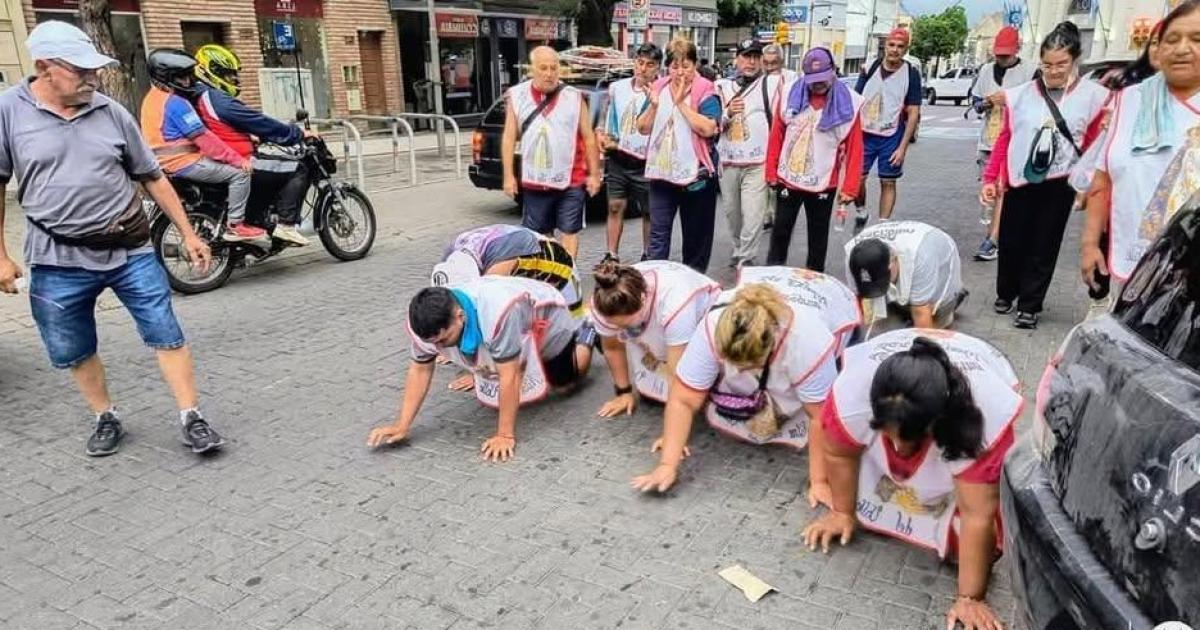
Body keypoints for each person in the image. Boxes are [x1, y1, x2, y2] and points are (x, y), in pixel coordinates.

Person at [0, 21, 223, 457]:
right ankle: (105, 416)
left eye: (94, 69)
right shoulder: (8, 111)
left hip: (128, 247)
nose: (93, 78)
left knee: (166, 331)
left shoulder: (111, 112)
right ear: (43, 67)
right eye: (80, 70)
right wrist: (0, 256)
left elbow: (152, 177)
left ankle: (192, 415)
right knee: (73, 345)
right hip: (56, 256)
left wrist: (188, 232)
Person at [802, 330, 1022, 630]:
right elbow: (839, 454)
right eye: (888, 434)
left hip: (979, 373)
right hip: (901, 379)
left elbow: (977, 516)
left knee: (975, 533)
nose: (898, 448)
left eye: (910, 439)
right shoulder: (850, 395)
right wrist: (842, 511)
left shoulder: (981, 419)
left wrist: (970, 597)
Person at [630, 283, 839, 501]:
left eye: (748, 366)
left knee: (822, 398)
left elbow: (820, 418)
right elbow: (683, 399)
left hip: (824, 296)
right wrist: (667, 464)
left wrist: (819, 481)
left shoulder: (807, 342)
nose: (738, 371)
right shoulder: (712, 326)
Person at [366, 278, 596, 462]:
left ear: (460, 317)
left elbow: (510, 375)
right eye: (433, 343)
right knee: (500, 358)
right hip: (508, 326)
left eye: (443, 340)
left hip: (548, 316)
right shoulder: (425, 325)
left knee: (566, 383)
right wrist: (402, 424)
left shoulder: (498, 312)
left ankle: (588, 327)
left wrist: (504, 435)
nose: (438, 348)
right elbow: (420, 370)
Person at [981, 21, 1109, 330]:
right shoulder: (1020, 95)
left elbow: (1095, 143)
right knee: (1011, 240)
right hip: (1020, 178)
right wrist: (991, 178)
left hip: (1060, 181)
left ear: (1075, 61)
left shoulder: (1094, 97)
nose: (1053, 71)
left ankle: (1030, 304)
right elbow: (1006, 137)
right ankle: (1006, 291)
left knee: (1044, 244)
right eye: (1047, 65)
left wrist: (1087, 184)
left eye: (1061, 64)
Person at [1081, 1, 1200, 295]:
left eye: (1197, 39)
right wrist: (1090, 243)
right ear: (1156, 51)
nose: (1182, 49)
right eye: (1172, 39)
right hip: (1133, 262)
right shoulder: (1129, 102)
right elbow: (1103, 178)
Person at [191, 44, 311, 246]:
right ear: (213, 72)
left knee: (272, 166)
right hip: (239, 160)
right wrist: (296, 134)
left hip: (222, 157)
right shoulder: (218, 100)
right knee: (297, 169)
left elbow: (222, 127)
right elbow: (258, 121)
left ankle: (258, 219)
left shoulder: (201, 96)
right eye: (229, 75)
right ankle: (286, 225)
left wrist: (249, 137)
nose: (234, 79)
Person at [139, 48, 263, 241]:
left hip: (164, 162)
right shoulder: (176, 103)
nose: (188, 82)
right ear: (167, 77)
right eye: (182, 77)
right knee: (240, 174)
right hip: (183, 163)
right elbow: (204, 138)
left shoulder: (152, 98)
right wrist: (238, 160)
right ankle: (236, 225)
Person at [765, 47, 864, 272]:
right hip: (788, 177)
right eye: (813, 79)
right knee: (780, 232)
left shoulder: (850, 102)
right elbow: (776, 134)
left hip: (823, 181)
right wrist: (771, 170)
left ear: (833, 71)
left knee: (818, 237)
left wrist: (850, 187)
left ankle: (815, 279)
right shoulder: (789, 93)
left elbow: (855, 147)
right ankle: (772, 276)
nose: (818, 84)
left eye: (822, 78)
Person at [501, 46, 602, 260]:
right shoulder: (517, 96)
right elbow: (509, 137)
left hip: (571, 178)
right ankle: (551, 270)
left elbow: (588, 137)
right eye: (543, 68)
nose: (549, 73)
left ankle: (568, 274)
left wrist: (594, 174)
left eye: (553, 68)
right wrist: (508, 176)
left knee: (569, 231)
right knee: (540, 236)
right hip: (535, 180)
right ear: (532, 69)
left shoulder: (574, 97)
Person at [589, 259, 720, 415]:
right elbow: (613, 347)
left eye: (626, 324)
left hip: (704, 311)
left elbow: (676, 372)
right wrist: (624, 392)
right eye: (614, 324)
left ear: (643, 300)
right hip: (656, 317)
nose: (620, 330)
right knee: (653, 394)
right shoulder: (604, 301)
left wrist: (675, 424)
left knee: (695, 393)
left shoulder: (675, 302)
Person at [638, 37, 722, 273]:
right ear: (668, 67)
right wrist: (654, 106)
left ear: (695, 65)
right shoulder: (658, 87)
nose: (680, 72)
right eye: (675, 66)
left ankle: (694, 284)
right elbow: (642, 127)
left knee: (696, 239)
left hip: (696, 177)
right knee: (658, 236)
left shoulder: (706, 89)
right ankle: (657, 280)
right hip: (662, 174)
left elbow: (709, 128)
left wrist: (681, 105)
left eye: (686, 66)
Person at [969, 26, 1037, 262]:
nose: (1001, 59)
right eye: (998, 55)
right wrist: (985, 103)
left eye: (1006, 55)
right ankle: (992, 236)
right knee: (989, 191)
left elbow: (1037, 105)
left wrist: (1009, 99)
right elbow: (975, 102)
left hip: (1015, 141)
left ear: (1017, 50)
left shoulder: (1030, 72)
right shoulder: (986, 70)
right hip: (989, 139)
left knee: (1003, 190)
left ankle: (994, 240)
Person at [853, 28, 923, 232]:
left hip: (891, 134)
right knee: (857, 179)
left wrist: (902, 148)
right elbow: (854, 101)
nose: (895, 50)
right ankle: (861, 211)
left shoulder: (911, 74)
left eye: (900, 47)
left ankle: (882, 226)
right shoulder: (870, 67)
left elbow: (913, 112)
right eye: (892, 45)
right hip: (864, 132)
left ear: (906, 50)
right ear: (885, 46)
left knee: (888, 181)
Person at [598, 43, 661, 263]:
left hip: (646, 162)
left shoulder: (660, 92)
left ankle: (648, 256)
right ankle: (611, 254)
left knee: (649, 211)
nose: (643, 68)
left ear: (658, 67)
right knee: (615, 206)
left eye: (650, 64)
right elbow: (605, 115)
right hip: (618, 158)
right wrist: (601, 133)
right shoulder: (617, 88)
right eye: (640, 62)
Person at [716, 39, 775, 268]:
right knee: (732, 214)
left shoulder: (770, 85)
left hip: (757, 164)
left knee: (753, 215)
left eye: (755, 57)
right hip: (728, 162)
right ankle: (739, 247)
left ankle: (747, 257)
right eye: (746, 56)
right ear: (736, 59)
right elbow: (711, 124)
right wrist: (727, 113)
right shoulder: (721, 87)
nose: (751, 62)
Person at [845, 221, 966, 330]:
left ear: (893, 261)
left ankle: (953, 300)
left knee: (936, 323)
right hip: (906, 259)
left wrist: (922, 343)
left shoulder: (921, 257)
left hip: (940, 260)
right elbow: (858, 300)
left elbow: (921, 312)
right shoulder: (853, 255)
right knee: (887, 319)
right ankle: (901, 303)